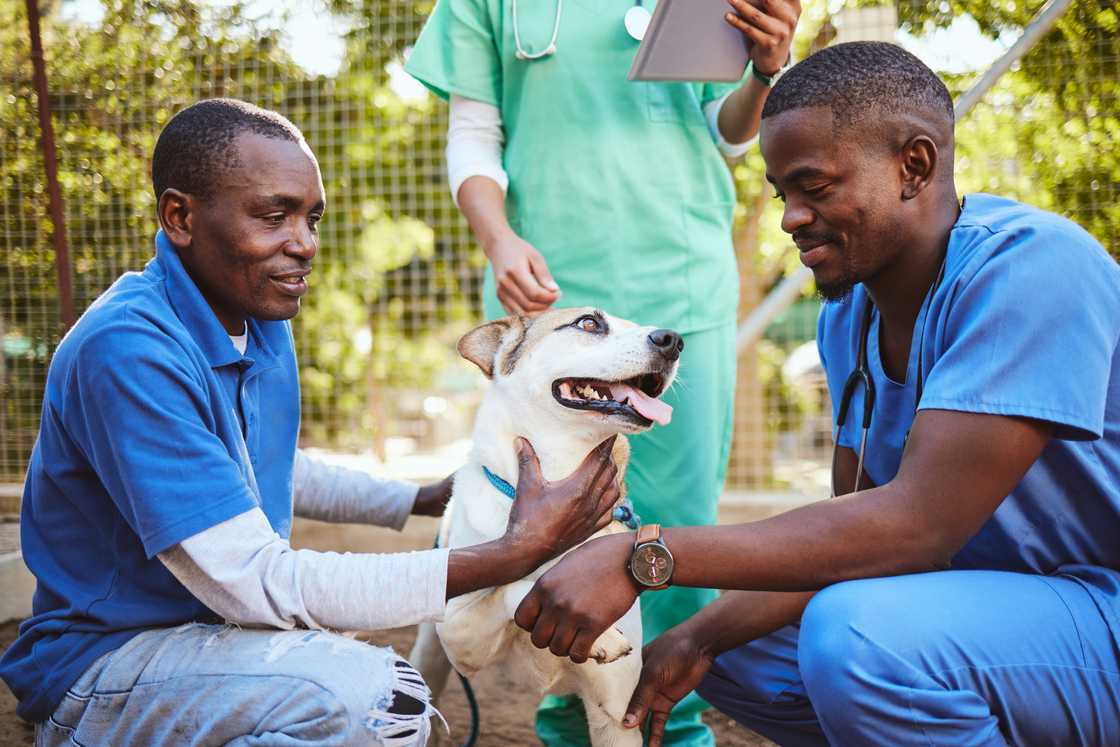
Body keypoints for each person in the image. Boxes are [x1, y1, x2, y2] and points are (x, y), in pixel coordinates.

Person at [508, 42, 1120, 746]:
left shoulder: (1033, 266)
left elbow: (918, 525)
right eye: (782, 195)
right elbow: (853, 529)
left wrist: (642, 554)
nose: (791, 218)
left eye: (816, 187)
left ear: (913, 166)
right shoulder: (848, 316)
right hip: (997, 617)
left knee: (856, 638)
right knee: (717, 645)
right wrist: (699, 633)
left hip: (1099, 607)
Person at [0, 98, 623, 746]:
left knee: (365, 685)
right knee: (385, 700)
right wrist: (513, 552)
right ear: (180, 217)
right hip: (105, 666)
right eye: (275, 216)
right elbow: (258, 581)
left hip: (209, 637)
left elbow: (256, 466)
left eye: (311, 217)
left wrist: (421, 497)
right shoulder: (129, 351)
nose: (304, 244)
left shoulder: (254, 314)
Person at [403, 1, 802, 744]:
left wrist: (767, 68)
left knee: (675, 528)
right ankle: (568, 723)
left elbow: (728, 132)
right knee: (542, 522)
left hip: (678, 280)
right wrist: (498, 241)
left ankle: (667, 727)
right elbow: (474, 134)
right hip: (549, 294)